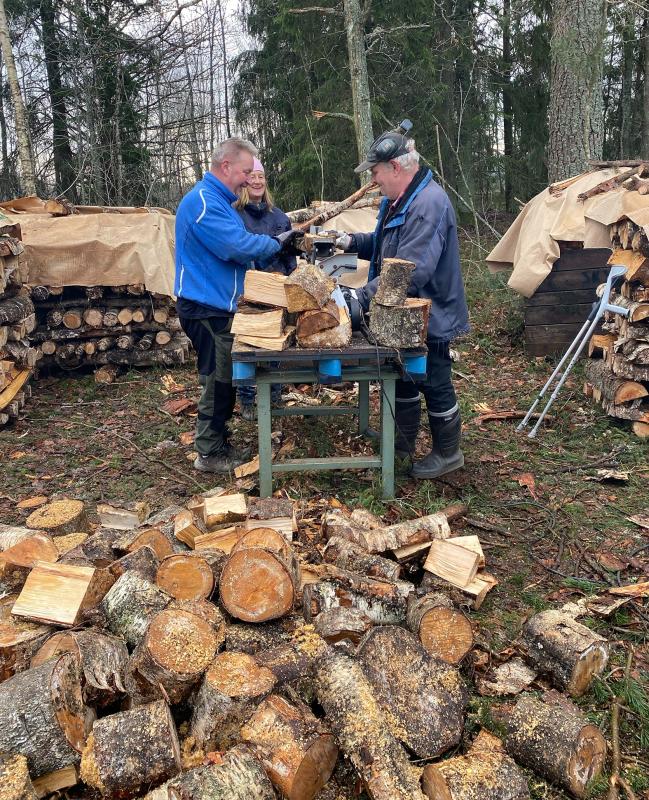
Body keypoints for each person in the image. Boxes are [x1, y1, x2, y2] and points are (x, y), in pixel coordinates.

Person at [337, 128, 469, 479]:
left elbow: (410, 270)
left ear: (395, 167)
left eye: (375, 172)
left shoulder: (428, 204)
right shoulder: (399, 200)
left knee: (435, 380)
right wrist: (350, 240)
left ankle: (447, 452)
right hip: (402, 315)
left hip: (431, 312)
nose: (373, 179)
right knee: (405, 377)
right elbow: (384, 244)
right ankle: (402, 444)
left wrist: (359, 297)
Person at [175, 137, 297, 473]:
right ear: (226, 166)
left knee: (225, 378)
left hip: (219, 305)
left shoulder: (217, 200)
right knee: (218, 380)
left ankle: (216, 441)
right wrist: (277, 242)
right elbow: (237, 246)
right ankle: (209, 451)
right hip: (206, 307)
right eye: (244, 171)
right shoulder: (203, 201)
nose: (247, 179)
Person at [234, 158, 296, 420]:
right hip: (247, 290)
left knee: (275, 343)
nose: (257, 181)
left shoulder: (279, 217)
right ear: (244, 180)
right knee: (247, 345)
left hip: (276, 289)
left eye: (261, 176)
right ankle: (247, 399)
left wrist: (289, 277)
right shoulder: (235, 214)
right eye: (253, 176)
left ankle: (274, 394)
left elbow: (290, 255)